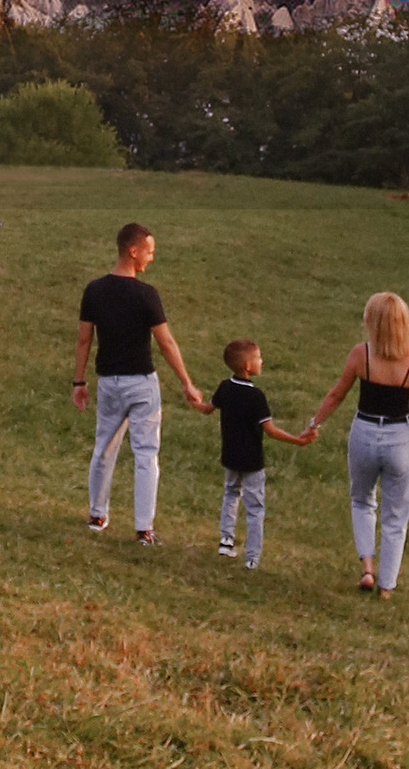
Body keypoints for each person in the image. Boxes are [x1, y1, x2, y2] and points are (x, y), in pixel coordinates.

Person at [73, 219, 208, 543]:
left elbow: (83, 341)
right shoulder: (146, 295)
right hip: (141, 385)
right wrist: (187, 383)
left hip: (108, 383)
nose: (151, 258)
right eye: (149, 252)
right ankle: (144, 529)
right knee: (146, 454)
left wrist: (79, 382)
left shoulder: (94, 290)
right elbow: (166, 343)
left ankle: (96, 515)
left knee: (103, 449)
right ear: (133, 252)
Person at [306, 289, 409, 597]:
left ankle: (367, 567)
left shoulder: (361, 355)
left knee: (362, 500)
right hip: (399, 440)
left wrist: (314, 424)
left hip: (364, 432)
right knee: (396, 516)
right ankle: (387, 586)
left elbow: (337, 394)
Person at [212, 337, 316, 569]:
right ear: (248, 366)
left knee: (231, 493)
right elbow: (270, 430)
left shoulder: (225, 388)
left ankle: (226, 540)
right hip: (252, 461)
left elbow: (208, 407)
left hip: (230, 456)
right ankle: (252, 558)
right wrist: (297, 440)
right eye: (258, 358)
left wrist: (194, 399)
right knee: (255, 507)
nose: (262, 361)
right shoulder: (256, 397)